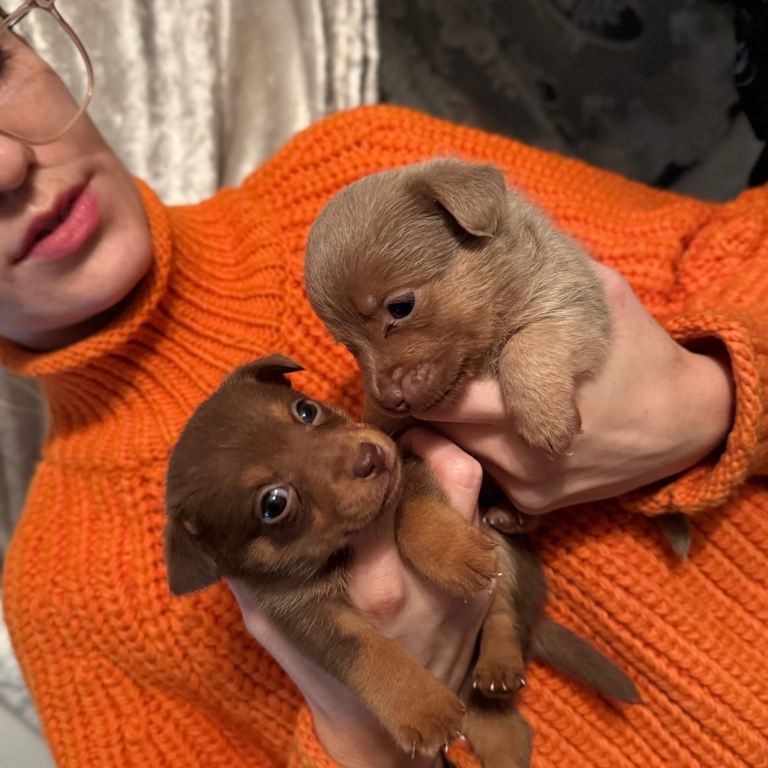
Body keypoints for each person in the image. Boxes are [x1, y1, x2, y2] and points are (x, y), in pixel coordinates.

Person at [2, 3, 767, 767]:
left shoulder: (359, 183)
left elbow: (745, 244)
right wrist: (364, 740)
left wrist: (714, 400)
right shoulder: (61, 602)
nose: (6, 166)